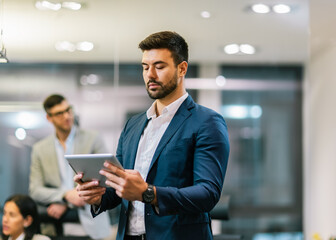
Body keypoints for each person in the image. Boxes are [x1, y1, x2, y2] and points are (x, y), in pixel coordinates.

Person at [74, 31, 230, 240]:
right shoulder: (134, 125)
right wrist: (97, 195)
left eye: (159, 66)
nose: (150, 75)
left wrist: (149, 193)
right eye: (145, 67)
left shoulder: (206, 122)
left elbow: (207, 193)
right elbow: (121, 190)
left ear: (182, 68)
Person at [29, 94, 111, 239]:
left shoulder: (93, 139)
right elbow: (35, 190)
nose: (67, 116)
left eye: (68, 110)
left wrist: (67, 203)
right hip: (54, 227)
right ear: (49, 118)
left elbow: (106, 180)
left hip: (91, 226)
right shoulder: (39, 149)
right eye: (59, 113)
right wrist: (65, 196)